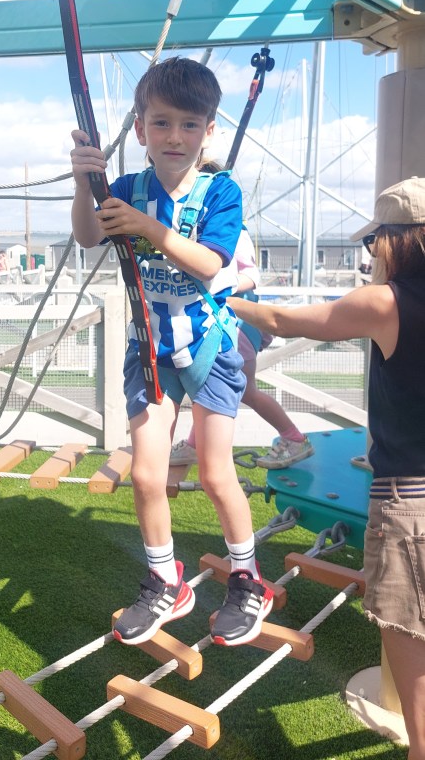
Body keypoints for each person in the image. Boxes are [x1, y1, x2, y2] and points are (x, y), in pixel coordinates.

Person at [71, 56, 273, 648]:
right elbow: (89, 234)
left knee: (214, 472)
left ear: (209, 130)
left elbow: (210, 262)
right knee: (146, 472)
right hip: (151, 350)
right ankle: (166, 579)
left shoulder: (220, 190)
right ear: (140, 129)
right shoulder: (128, 188)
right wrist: (87, 184)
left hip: (210, 344)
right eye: (161, 123)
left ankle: (247, 578)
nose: (175, 136)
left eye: (189, 124)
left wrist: (147, 228)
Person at [227, 175, 425, 759]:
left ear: (396, 241)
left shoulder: (386, 302)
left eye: (375, 244)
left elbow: (285, 322)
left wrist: (218, 298)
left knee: (408, 628)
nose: (372, 255)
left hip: (410, 495)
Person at [171, 221, 313, 469]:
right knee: (208, 385)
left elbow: (250, 276)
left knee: (241, 390)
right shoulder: (205, 223)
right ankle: (194, 445)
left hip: (234, 325)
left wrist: (215, 283)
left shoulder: (231, 226)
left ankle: (294, 438)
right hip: (225, 323)